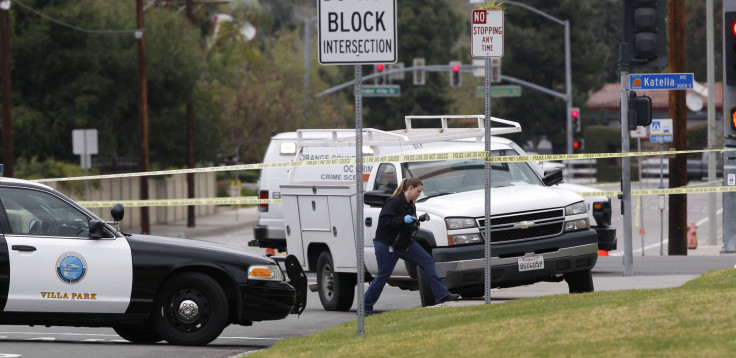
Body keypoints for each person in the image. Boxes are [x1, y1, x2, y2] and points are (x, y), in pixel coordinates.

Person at [363, 177, 460, 315]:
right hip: (387, 245)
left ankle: (442, 295)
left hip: (404, 243)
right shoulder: (394, 201)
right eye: (418, 191)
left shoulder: (411, 205)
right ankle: (365, 307)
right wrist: (402, 219)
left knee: (426, 260)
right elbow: (385, 222)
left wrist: (415, 222)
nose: (419, 194)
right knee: (383, 276)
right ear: (410, 188)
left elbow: (407, 225)